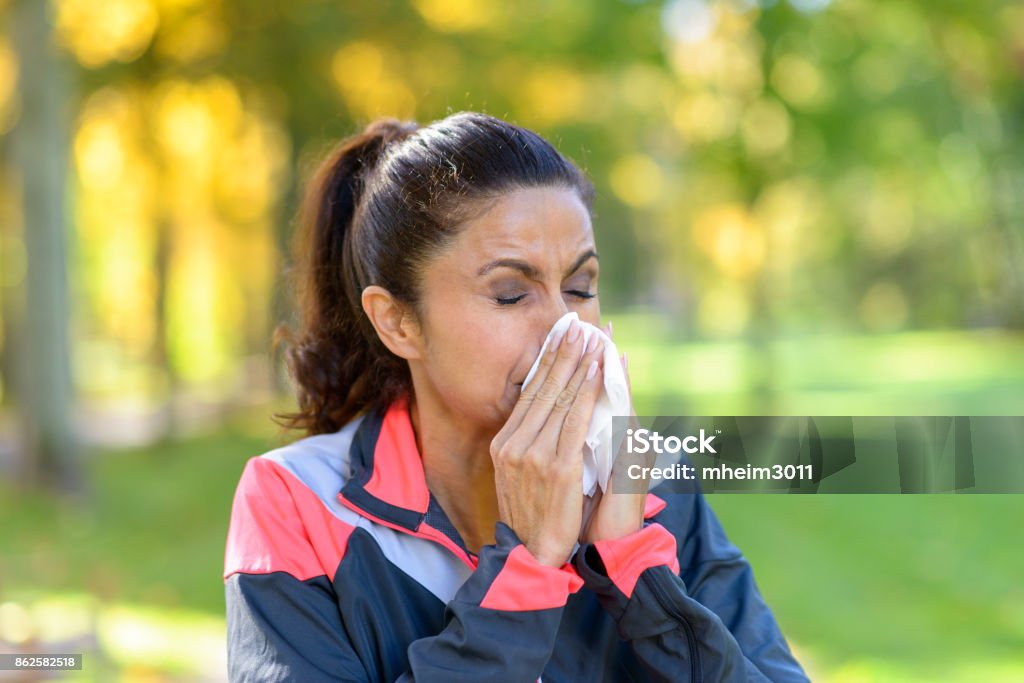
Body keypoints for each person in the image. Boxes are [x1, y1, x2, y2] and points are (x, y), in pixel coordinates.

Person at [223, 111, 810, 682]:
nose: (566, 329)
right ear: (398, 322)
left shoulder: (654, 484)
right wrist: (526, 570)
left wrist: (634, 568)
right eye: (510, 294)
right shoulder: (297, 503)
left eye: (580, 287)